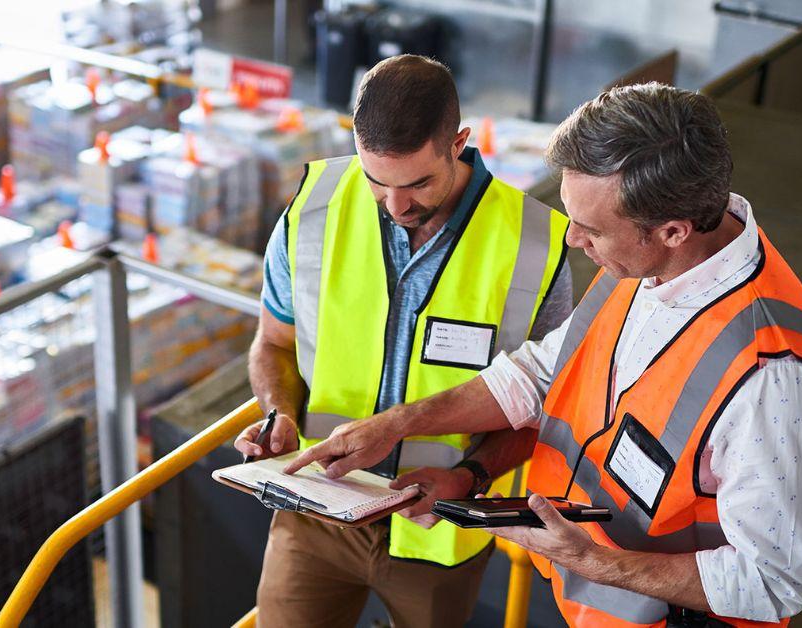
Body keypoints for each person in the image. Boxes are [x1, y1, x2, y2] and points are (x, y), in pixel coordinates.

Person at [286, 82, 802, 627]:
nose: (573, 241)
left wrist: (593, 561)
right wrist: (398, 424)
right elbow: (540, 373)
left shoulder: (777, 380)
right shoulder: (647, 263)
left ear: (674, 230)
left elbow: (775, 581)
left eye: (591, 229)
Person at [234, 54, 572, 627]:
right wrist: (279, 415)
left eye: (418, 183)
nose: (395, 206)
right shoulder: (312, 210)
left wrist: (469, 478)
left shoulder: (536, 245)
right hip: (314, 506)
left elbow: (546, 408)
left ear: (458, 143)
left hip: (438, 533)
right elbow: (273, 345)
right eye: (376, 181)